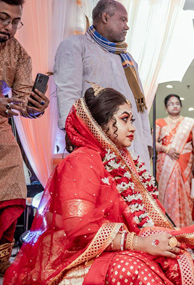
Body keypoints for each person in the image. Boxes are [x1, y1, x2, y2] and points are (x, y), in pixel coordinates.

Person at [0, 85, 194, 285]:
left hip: (108, 250)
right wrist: (140, 244)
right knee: (139, 271)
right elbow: (78, 228)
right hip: (70, 261)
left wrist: (159, 239)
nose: (132, 127)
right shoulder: (82, 160)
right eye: (124, 119)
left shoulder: (117, 160)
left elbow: (140, 218)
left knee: (181, 254)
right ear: (99, 123)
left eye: (132, 119)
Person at [0, 0, 49, 276]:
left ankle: (0, 260)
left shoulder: (17, 53)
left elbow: (20, 100)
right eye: (2, 18)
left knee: (12, 178)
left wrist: (34, 108)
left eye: (15, 22)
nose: (8, 27)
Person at [54, 0, 153, 170]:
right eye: (123, 20)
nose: (127, 26)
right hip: (96, 141)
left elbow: (140, 107)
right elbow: (68, 92)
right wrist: (71, 132)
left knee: (135, 195)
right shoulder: (76, 46)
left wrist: (147, 142)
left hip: (135, 147)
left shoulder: (128, 59)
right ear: (105, 17)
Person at [155, 94, 194, 227]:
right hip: (166, 162)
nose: (174, 106)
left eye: (177, 103)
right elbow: (152, 142)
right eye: (171, 104)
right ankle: (169, 226)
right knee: (168, 193)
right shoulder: (160, 122)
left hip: (185, 163)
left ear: (181, 105)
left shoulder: (189, 122)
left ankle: (185, 227)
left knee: (185, 193)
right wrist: (166, 149)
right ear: (165, 107)